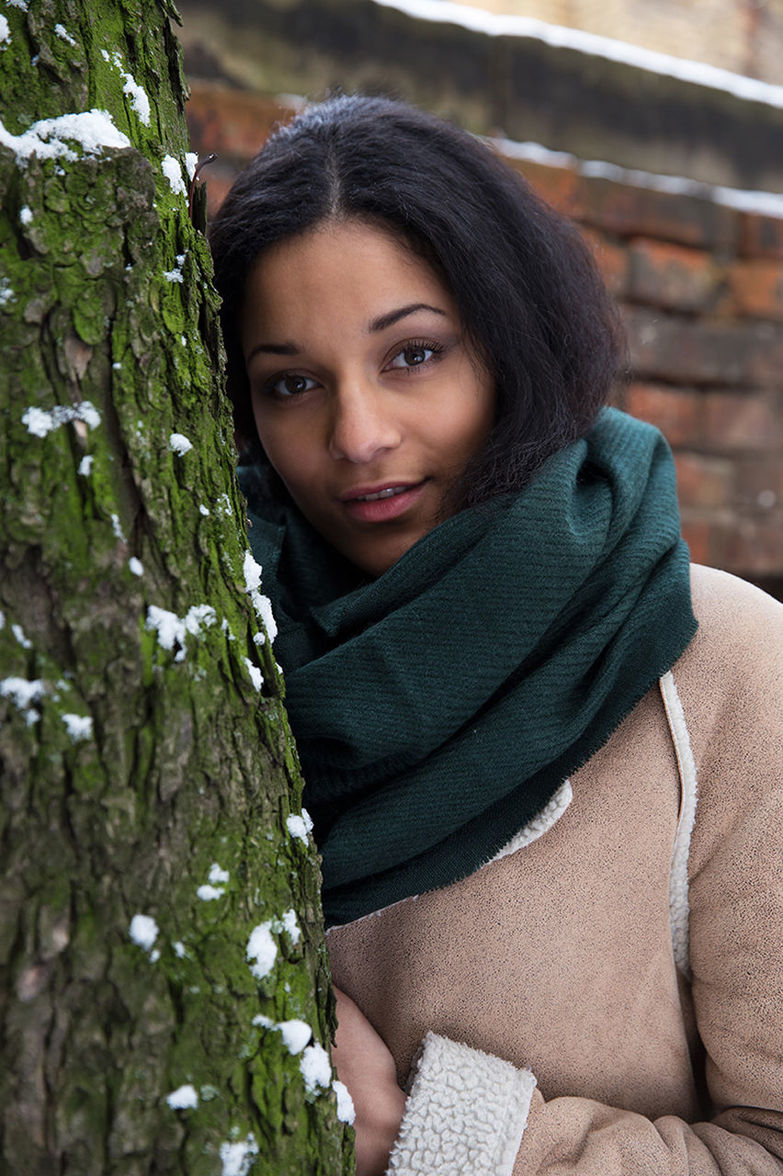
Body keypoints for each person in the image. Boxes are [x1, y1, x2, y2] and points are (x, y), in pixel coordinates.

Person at [209, 95, 783, 1176]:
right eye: (293, 383)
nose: (360, 436)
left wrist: (445, 1139)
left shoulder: (725, 670)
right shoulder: (216, 660)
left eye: (414, 355)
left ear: (513, 344)